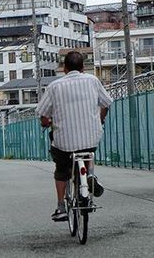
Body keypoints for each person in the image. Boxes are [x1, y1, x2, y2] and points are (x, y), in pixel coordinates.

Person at [36, 51, 112, 222]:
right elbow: (107, 103)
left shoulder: (54, 86)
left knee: (62, 169)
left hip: (64, 141)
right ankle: (90, 175)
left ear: (64, 68)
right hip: (90, 137)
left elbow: (42, 113)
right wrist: (100, 119)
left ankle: (60, 206)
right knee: (88, 150)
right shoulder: (93, 81)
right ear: (83, 68)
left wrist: (45, 122)